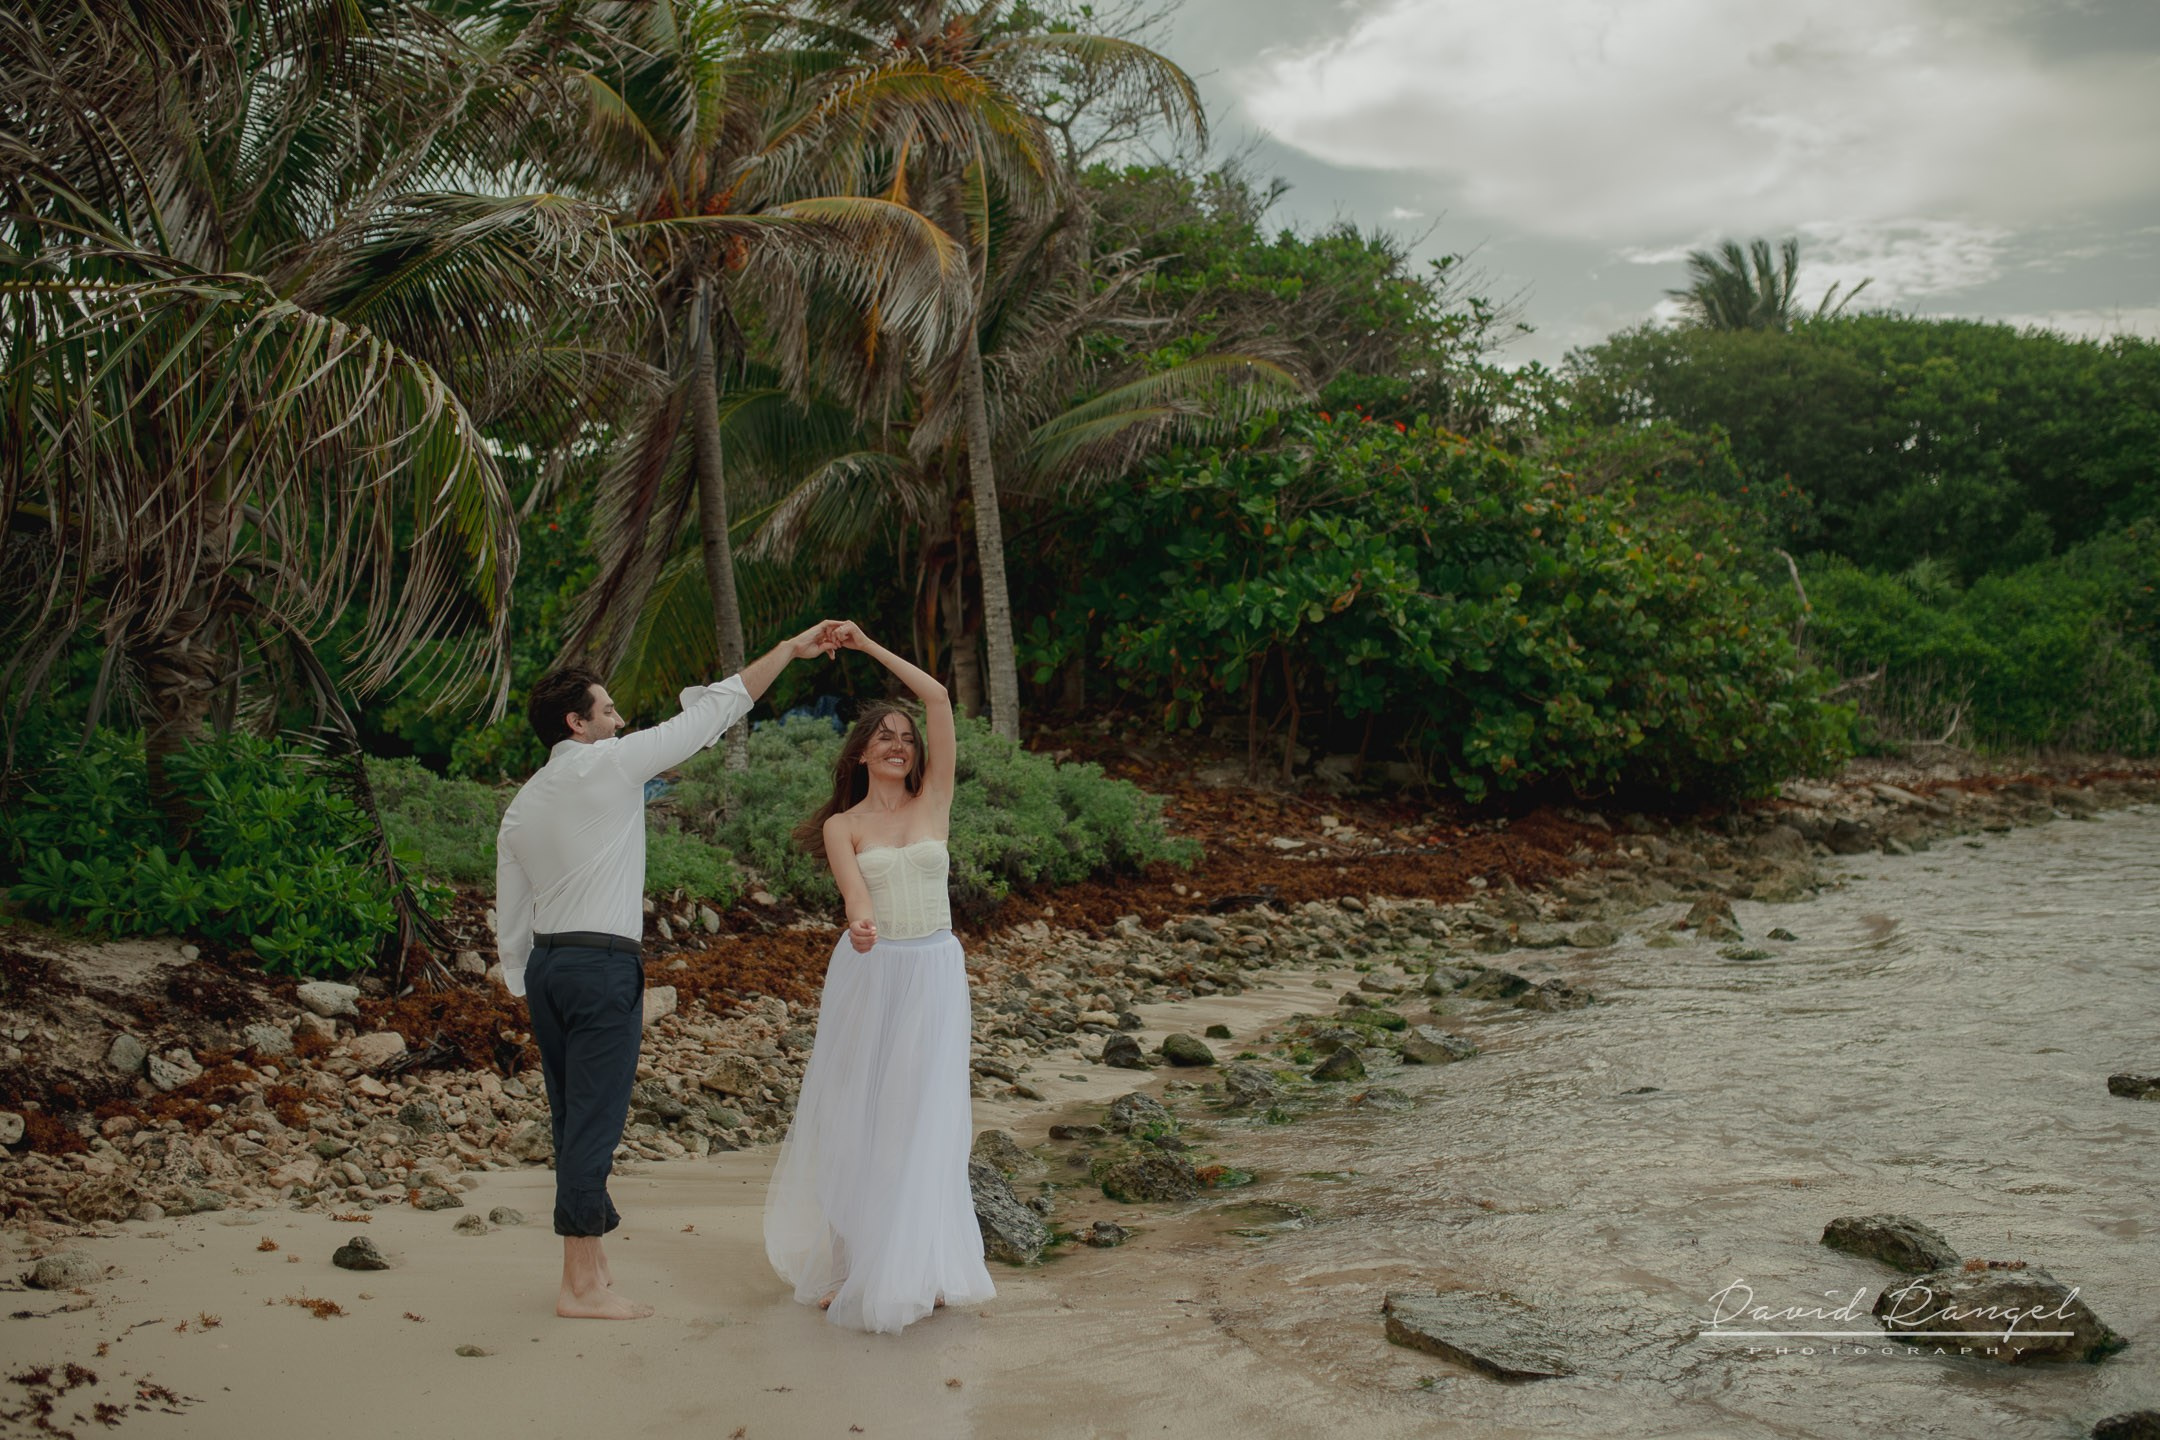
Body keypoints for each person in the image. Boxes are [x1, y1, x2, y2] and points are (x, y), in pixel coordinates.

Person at [496, 622, 840, 1320]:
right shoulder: (611, 763)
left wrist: (522, 980)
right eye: (609, 710)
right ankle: (576, 1288)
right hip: (600, 966)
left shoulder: (523, 802)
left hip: (549, 969)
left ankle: (592, 1271)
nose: (620, 721)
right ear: (578, 723)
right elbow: (714, 710)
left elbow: (511, 912)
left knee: (572, 1121)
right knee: (594, 1125)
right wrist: (789, 651)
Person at [763, 621, 996, 1333]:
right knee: (860, 1115)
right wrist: (860, 926)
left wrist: (867, 644)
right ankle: (852, 1262)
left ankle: (917, 1264)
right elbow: (855, 903)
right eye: (884, 736)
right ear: (862, 754)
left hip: (934, 969)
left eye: (905, 737)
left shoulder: (935, 803)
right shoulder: (844, 826)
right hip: (873, 971)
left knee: (924, 1116)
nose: (900, 743)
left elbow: (939, 701)